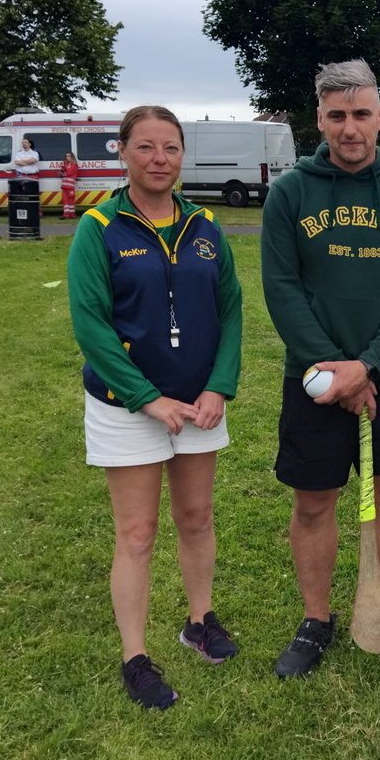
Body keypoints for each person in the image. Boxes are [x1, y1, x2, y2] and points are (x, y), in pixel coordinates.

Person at [261, 59, 380, 679]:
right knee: (314, 502)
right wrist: (334, 375)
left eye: (361, 113)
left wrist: (366, 366)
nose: (350, 127)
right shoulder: (289, 193)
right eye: (336, 115)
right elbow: (281, 289)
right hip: (311, 379)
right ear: (319, 119)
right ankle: (316, 619)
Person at [67, 105, 243, 710]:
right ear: (122, 152)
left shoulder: (205, 226)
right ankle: (135, 657)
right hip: (127, 407)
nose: (159, 159)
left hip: (199, 406)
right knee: (137, 533)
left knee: (196, 518)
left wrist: (219, 384)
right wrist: (146, 398)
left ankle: (200, 623)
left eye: (170, 148)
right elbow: (90, 326)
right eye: (145, 147)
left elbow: (231, 311)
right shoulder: (98, 227)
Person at [60, 151, 80, 218]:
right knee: (65, 200)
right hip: (64, 185)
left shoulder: (74, 165)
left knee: (70, 200)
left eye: (69, 156)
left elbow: (69, 173)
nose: (67, 158)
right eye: (66, 156)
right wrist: (62, 171)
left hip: (70, 186)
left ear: (72, 157)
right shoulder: (66, 165)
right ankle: (66, 214)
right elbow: (59, 173)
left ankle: (72, 214)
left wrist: (63, 171)